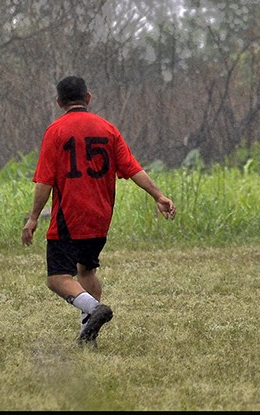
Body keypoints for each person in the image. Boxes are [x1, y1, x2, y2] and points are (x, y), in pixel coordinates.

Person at [22, 76, 176, 346]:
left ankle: (94, 309)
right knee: (86, 271)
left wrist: (34, 217)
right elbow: (133, 168)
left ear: (59, 102)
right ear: (88, 98)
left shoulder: (56, 131)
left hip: (70, 216)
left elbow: (45, 181)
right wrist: (159, 195)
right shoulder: (107, 129)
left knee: (58, 278)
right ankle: (87, 336)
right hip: (100, 217)